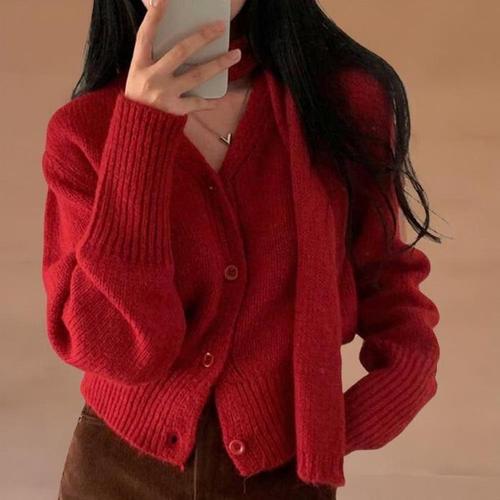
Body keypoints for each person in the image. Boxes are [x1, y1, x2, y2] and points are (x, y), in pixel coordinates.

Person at [41, 0, 442, 498]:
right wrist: (141, 132)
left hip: (285, 475)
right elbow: (117, 350)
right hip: (118, 472)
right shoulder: (82, 133)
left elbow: (385, 275)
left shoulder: (342, 103)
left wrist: (396, 383)